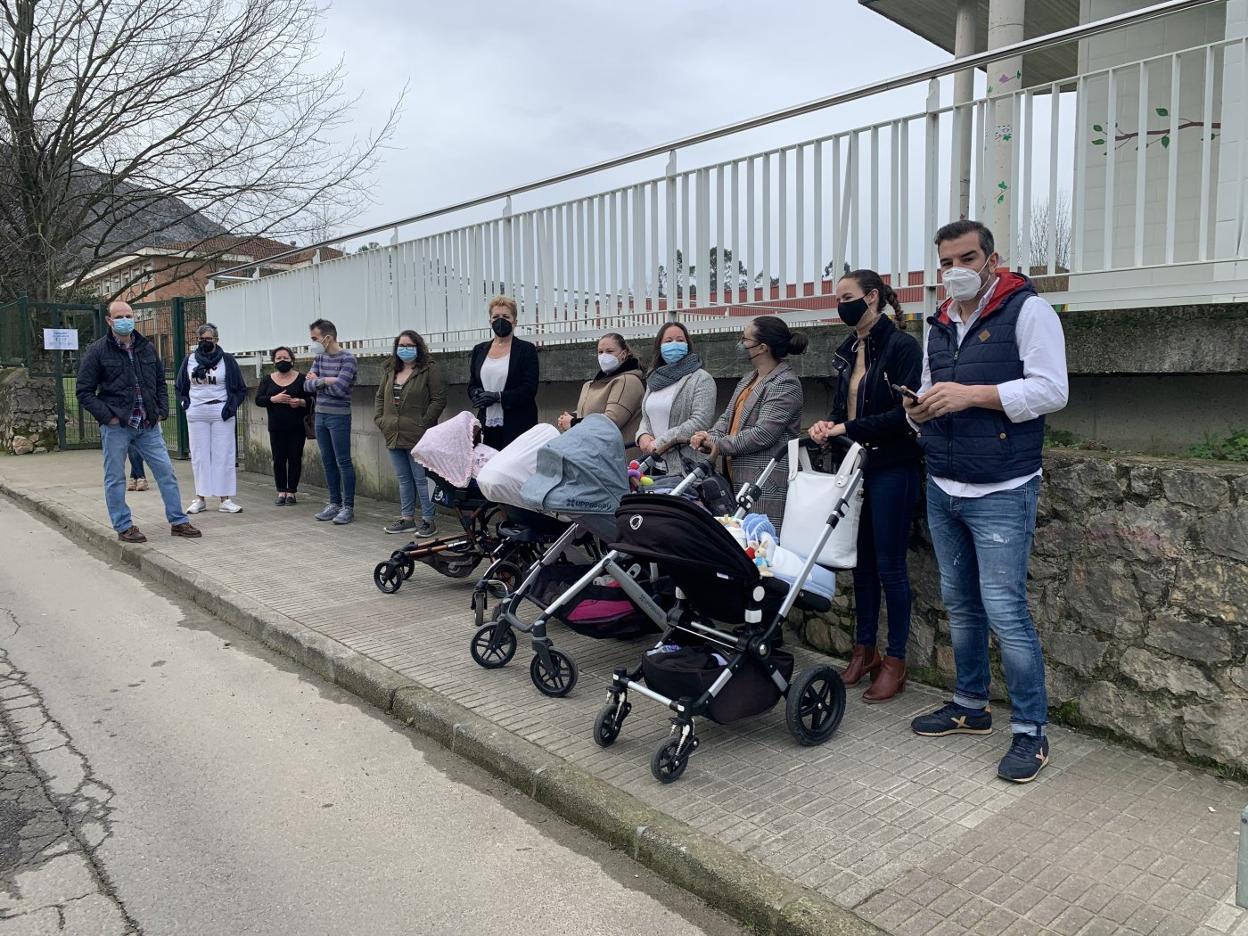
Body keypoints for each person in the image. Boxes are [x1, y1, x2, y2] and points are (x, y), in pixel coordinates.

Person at [904, 219, 1068, 784]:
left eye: (968, 258)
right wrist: (917, 409)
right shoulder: (941, 321)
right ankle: (970, 706)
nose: (959, 270)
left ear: (992, 259)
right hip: (944, 481)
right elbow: (931, 388)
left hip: (1002, 486)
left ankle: (1030, 732)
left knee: (1006, 611)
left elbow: (1053, 389)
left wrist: (972, 394)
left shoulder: (1028, 311)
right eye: (948, 261)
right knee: (961, 606)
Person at [809, 270, 923, 703]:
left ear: (872, 298)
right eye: (837, 297)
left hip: (893, 466)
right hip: (854, 468)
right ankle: (864, 650)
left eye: (847, 297)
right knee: (862, 566)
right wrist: (828, 425)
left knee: (891, 566)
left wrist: (847, 425)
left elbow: (905, 415)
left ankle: (895, 660)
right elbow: (844, 409)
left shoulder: (902, 347)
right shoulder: (850, 349)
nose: (840, 305)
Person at [74, 301, 201, 542]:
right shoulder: (97, 351)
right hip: (117, 427)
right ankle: (124, 525)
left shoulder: (146, 348)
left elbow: (160, 382)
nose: (125, 320)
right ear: (109, 321)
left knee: (166, 472)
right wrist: (108, 416)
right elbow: (84, 391)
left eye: (129, 315)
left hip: (148, 425)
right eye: (119, 316)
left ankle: (178, 521)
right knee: (115, 477)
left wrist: (161, 410)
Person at [690, 316, 807, 529]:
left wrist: (717, 444)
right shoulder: (749, 378)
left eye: (744, 339)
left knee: (762, 548)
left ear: (762, 347)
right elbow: (727, 418)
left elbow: (762, 434)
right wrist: (708, 436)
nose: (741, 344)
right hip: (735, 481)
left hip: (764, 485)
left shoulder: (785, 383)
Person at [375, 330, 447, 537]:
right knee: (403, 479)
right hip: (393, 433)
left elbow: (438, 400)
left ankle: (428, 520)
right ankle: (407, 519)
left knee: (422, 479)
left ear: (418, 347)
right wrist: (381, 420)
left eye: (409, 345)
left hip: (418, 435)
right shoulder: (390, 369)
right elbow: (380, 398)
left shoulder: (429, 370)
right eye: (401, 345)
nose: (404, 349)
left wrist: (423, 424)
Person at [176, 323, 247, 515]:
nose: (205, 342)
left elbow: (240, 388)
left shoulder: (227, 360)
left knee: (223, 454)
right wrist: (186, 405)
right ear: (197, 340)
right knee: (200, 456)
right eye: (201, 339)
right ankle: (200, 497)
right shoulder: (190, 360)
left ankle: (225, 498)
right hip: (197, 412)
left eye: (209, 339)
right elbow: (180, 386)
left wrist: (230, 407)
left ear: (216, 340)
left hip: (221, 411)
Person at [635, 322, 716, 473]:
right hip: (654, 465)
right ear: (659, 346)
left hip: (686, 468)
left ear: (688, 344)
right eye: (668, 341)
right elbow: (648, 415)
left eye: (680, 340)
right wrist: (642, 435)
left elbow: (700, 420)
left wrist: (661, 443)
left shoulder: (701, 379)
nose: (674, 344)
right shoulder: (654, 379)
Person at [467, 296, 539, 450]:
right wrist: (476, 394)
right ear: (490, 321)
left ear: (515, 322)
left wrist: (498, 397)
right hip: (486, 422)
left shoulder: (526, 350)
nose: (501, 320)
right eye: (496, 317)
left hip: (517, 423)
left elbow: (529, 389)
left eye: (506, 316)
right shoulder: (479, 350)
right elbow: (472, 383)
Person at [306, 318, 359, 525]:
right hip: (320, 414)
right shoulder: (320, 358)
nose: (313, 343)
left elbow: (340, 389)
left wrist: (318, 382)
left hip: (339, 416)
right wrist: (327, 380)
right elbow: (306, 386)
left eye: (314, 338)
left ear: (327, 338)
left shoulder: (348, 359)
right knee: (327, 461)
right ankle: (333, 503)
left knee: (343, 461)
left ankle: (348, 507)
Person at [557, 333, 645, 447]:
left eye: (609, 351)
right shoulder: (590, 384)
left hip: (618, 456)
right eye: (600, 352)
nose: (604, 356)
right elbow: (591, 412)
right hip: (595, 453)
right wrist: (572, 416)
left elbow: (611, 421)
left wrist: (573, 423)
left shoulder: (627, 381)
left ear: (623, 354)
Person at [255, 346, 310, 506]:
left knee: (294, 458)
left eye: (285, 358)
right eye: (278, 358)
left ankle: (292, 492)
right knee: (278, 459)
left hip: (297, 427)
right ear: (273, 361)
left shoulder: (302, 379)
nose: (282, 361)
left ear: (292, 360)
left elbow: (312, 399)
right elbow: (258, 400)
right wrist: (274, 399)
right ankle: (281, 491)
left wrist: (301, 402)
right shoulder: (267, 379)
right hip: (276, 427)